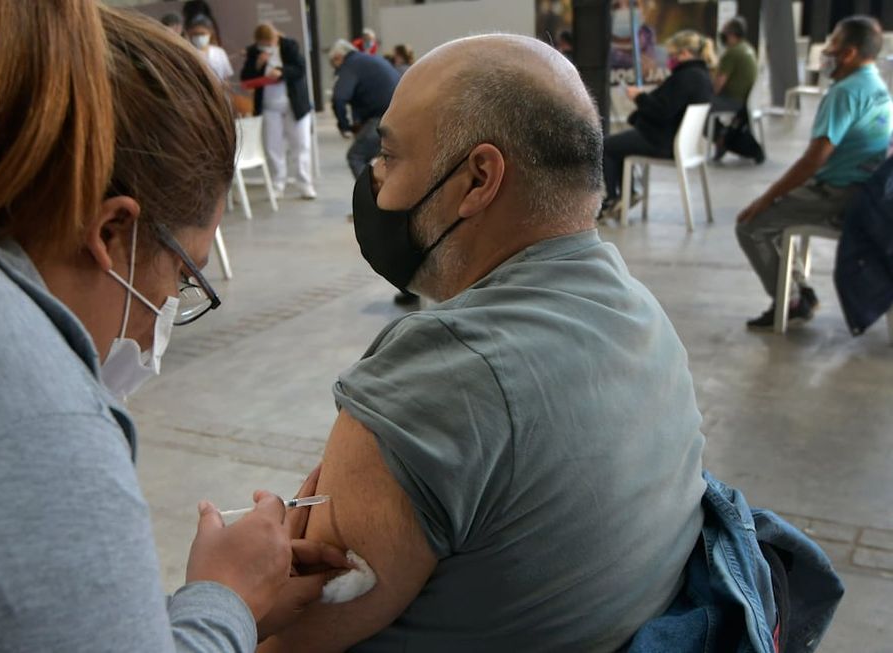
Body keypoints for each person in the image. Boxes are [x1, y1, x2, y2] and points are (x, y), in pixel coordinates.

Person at [0, 3, 346, 651]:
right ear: (111, 232)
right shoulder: (29, 407)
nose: (170, 307)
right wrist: (225, 597)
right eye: (184, 277)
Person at [259, 34, 708, 652]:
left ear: (477, 179)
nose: (375, 182)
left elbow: (284, 641)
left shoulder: (440, 376)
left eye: (389, 157)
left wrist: (227, 593)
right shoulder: (640, 315)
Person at [736, 15, 892, 330]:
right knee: (777, 220)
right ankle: (798, 291)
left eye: (833, 42)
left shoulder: (844, 92)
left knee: (751, 226)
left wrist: (765, 199)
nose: (827, 50)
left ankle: (793, 301)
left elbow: (814, 160)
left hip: (838, 194)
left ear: (848, 53)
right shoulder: (877, 85)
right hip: (872, 193)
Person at [600, 30, 715, 216]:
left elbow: (661, 111)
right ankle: (626, 195)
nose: (669, 60)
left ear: (684, 54)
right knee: (619, 143)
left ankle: (614, 198)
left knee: (607, 146)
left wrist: (639, 97)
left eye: (672, 55)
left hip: (661, 141)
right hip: (682, 143)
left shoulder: (685, 78)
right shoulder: (702, 77)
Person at [241, 23, 316, 200]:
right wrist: (258, 64)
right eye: (263, 42)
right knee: (273, 147)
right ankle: (278, 183)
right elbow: (246, 77)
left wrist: (280, 72)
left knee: (301, 144)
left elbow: (300, 69)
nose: (267, 45)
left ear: (275, 38)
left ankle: (305, 184)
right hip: (269, 107)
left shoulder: (289, 45)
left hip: (293, 105)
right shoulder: (254, 51)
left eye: (269, 41)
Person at [329, 39, 400, 179]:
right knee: (385, 157)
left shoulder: (350, 65)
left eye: (335, 67)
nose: (337, 72)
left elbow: (339, 98)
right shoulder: (368, 60)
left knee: (356, 156)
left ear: (338, 57)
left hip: (383, 117)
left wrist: (344, 127)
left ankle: (370, 198)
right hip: (398, 112)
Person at [713, 16, 757, 114]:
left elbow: (718, 85)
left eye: (724, 31)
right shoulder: (748, 48)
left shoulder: (732, 53)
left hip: (733, 101)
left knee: (702, 106)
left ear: (731, 34)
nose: (722, 34)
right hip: (747, 102)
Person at [188, 13, 233, 83]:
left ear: (210, 33)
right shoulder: (188, 52)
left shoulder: (219, 52)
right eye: (196, 34)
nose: (199, 37)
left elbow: (226, 77)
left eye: (202, 34)